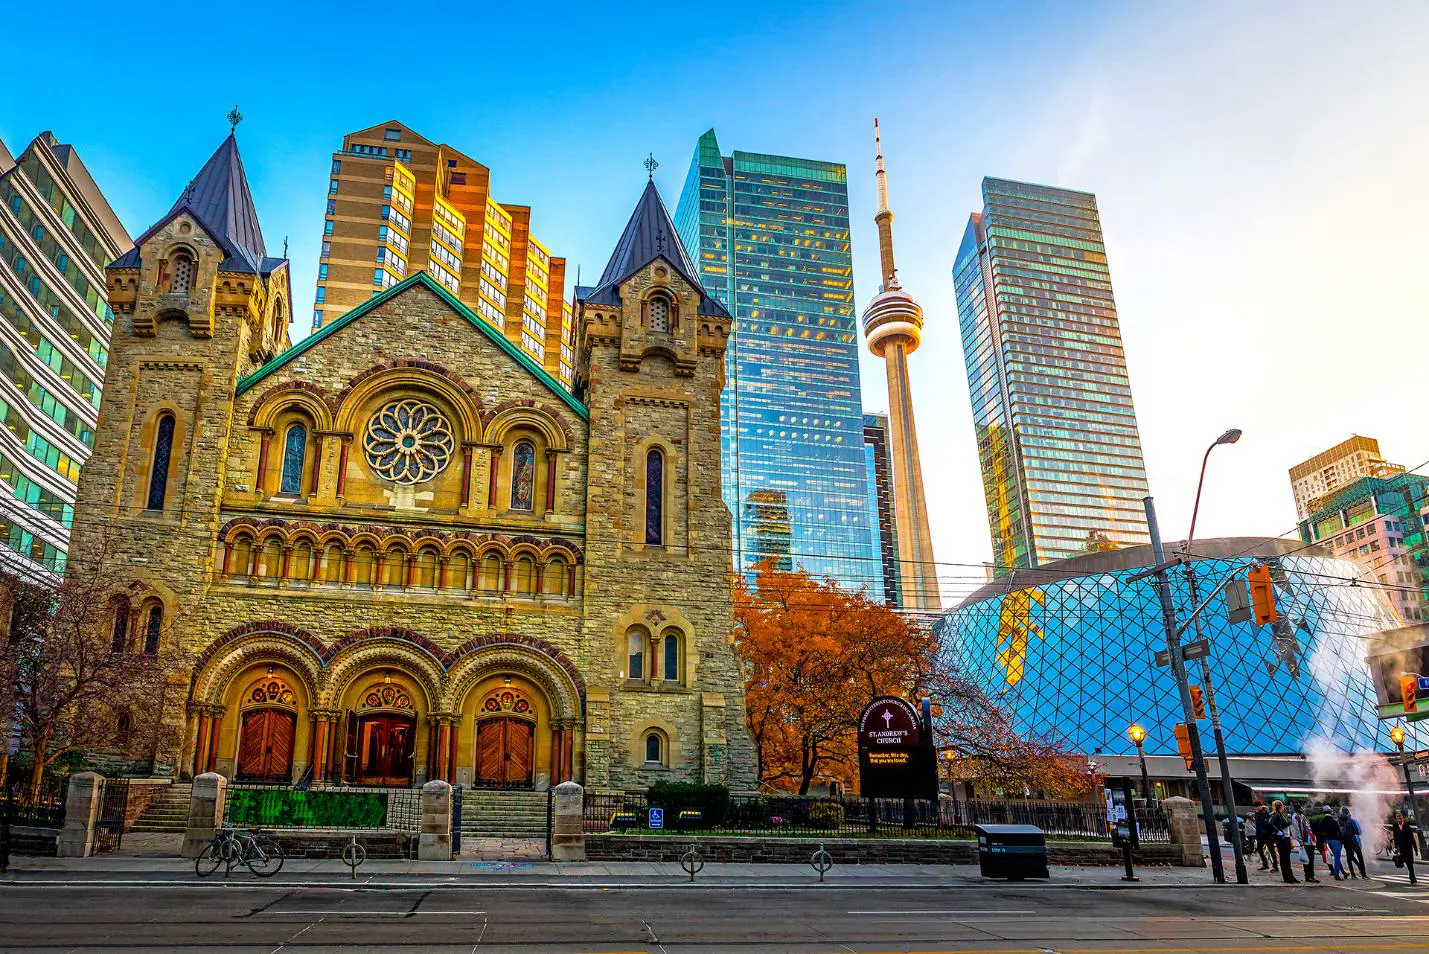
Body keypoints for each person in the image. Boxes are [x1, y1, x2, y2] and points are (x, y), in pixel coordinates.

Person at [1271, 800, 1297, 883]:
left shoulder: (1281, 814)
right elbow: (1270, 823)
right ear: (1281, 806)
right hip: (1283, 839)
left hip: (1286, 838)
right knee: (1284, 859)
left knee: (1286, 859)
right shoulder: (1277, 814)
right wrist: (1279, 832)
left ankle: (1290, 877)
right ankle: (1287, 877)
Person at [1317, 807, 1346, 879]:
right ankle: (1336, 875)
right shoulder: (1334, 821)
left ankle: (1343, 872)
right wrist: (1342, 840)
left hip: (1328, 840)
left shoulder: (1322, 822)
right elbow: (1339, 831)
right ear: (1330, 812)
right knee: (1337, 858)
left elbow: (1320, 831)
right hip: (1336, 840)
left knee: (1337, 858)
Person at [1391, 809, 1419, 885]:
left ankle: (1413, 878)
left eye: (1400, 817)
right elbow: (1395, 837)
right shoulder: (1395, 826)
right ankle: (1410, 874)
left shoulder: (1407, 826)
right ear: (1396, 818)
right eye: (1398, 817)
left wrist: (1415, 849)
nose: (1399, 818)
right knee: (1398, 861)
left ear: (1402, 818)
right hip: (1401, 848)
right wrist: (1396, 848)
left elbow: (1412, 838)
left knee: (1410, 864)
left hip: (1408, 848)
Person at [1293, 803, 1318, 882]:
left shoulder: (1302, 817)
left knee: (1310, 858)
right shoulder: (1296, 817)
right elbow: (1297, 830)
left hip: (1309, 840)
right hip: (1306, 841)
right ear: (1299, 809)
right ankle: (1309, 876)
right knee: (1308, 859)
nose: (1303, 809)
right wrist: (1300, 841)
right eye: (1301, 808)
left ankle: (1310, 875)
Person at [1341, 807, 1367, 880]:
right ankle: (1363, 874)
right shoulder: (1352, 821)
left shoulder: (1341, 821)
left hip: (1346, 842)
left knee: (1349, 858)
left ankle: (1353, 874)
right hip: (1353, 841)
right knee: (1360, 856)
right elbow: (1358, 832)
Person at [1253, 801, 1277, 870]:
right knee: (1259, 849)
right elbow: (1257, 825)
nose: (1256, 808)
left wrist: (1269, 833)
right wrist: (1257, 835)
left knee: (1271, 850)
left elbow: (1269, 823)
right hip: (1260, 835)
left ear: (1260, 806)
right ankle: (1265, 864)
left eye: (1257, 807)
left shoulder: (1265, 812)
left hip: (1267, 835)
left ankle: (1275, 866)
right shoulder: (1256, 813)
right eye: (1255, 807)